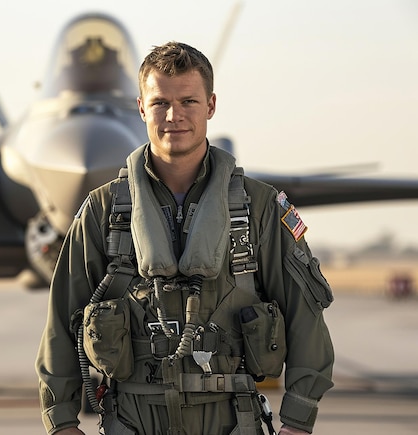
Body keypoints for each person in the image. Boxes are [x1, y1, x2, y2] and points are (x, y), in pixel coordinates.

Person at [36, 41, 334, 435]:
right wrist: (61, 422)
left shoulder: (258, 207)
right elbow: (62, 318)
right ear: (141, 107)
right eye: (160, 102)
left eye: (188, 101)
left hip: (232, 421)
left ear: (211, 106)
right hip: (132, 421)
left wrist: (298, 420)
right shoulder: (103, 210)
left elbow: (305, 316)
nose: (173, 116)